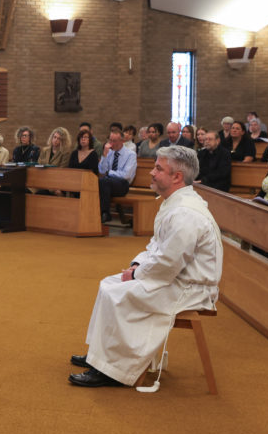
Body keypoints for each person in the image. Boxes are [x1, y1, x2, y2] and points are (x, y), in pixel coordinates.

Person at [68, 146, 222, 387]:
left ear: (177, 177)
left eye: (158, 168)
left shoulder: (186, 213)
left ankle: (112, 369)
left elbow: (168, 263)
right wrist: (137, 265)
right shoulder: (174, 203)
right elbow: (157, 246)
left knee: (118, 293)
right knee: (109, 284)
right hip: (174, 278)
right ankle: (100, 356)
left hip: (190, 288)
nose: (151, 172)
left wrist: (137, 274)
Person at [97, 128, 136, 223]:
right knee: (100, 183)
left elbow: (126, 175)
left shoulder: (130, 154)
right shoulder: (109, 152)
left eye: (114, 141)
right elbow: (102, 170)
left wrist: (109, 173)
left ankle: (104, 213)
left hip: (122, 185)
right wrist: (105, 156)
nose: (111, 143)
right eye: (110, 140)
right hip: (107, 183)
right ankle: (102, 214)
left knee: (103, 182)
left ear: (122, 141)